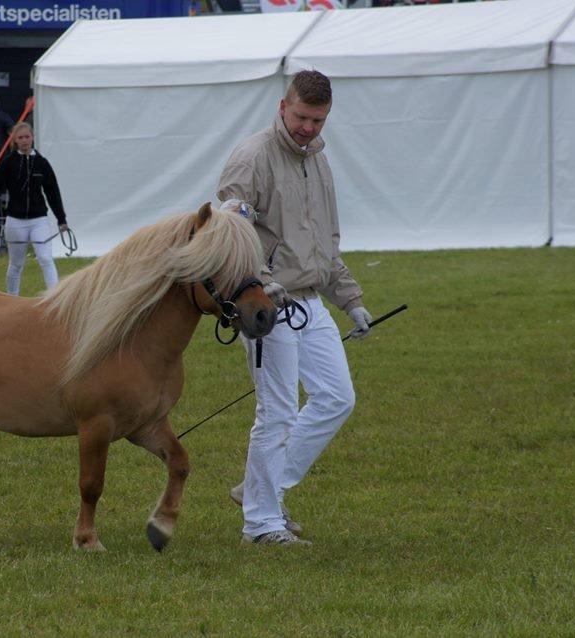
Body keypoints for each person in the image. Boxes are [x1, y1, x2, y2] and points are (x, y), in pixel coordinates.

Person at [216, 70, 373, 547]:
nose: (309, 127)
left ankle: (261, 491)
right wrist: (265, 286)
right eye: (302, 116)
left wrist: (352, 300)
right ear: (284, 107)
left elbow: (325, 244)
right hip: (267, 306)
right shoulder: (251, 157)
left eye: (318, 120)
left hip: (311, 302)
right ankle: (261, 526)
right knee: (278, 411)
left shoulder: (318, 162)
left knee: (336, 398)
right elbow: (229, 233)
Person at [0, 122, 68, 295]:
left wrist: (61, 219)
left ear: (32, 137)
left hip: (39, 219)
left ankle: (55, 297)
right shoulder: (8, 162)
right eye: (20, 138)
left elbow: (52, 193)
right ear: (15, 141)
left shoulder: (42, 163)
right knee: (16, 264)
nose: (24, 141)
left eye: (27, 137)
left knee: (46, 258)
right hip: (15, 220)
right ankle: (11, 298)